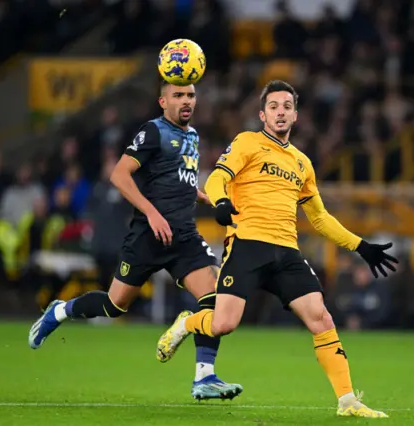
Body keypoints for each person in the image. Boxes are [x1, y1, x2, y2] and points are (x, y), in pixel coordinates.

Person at [157, 80, 398, 418]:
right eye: (274, 106)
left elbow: (320, 218)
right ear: (262, 114)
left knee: (322, 318)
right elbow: (215, 178)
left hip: (286, 252)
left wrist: (360, 246)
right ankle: (186, 324)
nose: (280, 112)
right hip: (247, 245)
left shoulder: (303, 163)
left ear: (295, 115)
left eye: (286, 106)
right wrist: (222, 201)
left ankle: (347, 401)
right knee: (224, 324)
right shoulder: (248, 142)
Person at [28, 81, 243, 401]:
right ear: (162, 101)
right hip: (148, 236)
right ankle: (60, 311)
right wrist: (152, 214)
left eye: (191, 95)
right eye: (178, 96)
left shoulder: (193, 137)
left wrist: (204, 198)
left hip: (183, 236)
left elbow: (180, 183)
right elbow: (119, 175)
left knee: (214, 295)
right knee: (115, 305)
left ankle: (204, 377)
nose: (186, 102)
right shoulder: (154, 131)